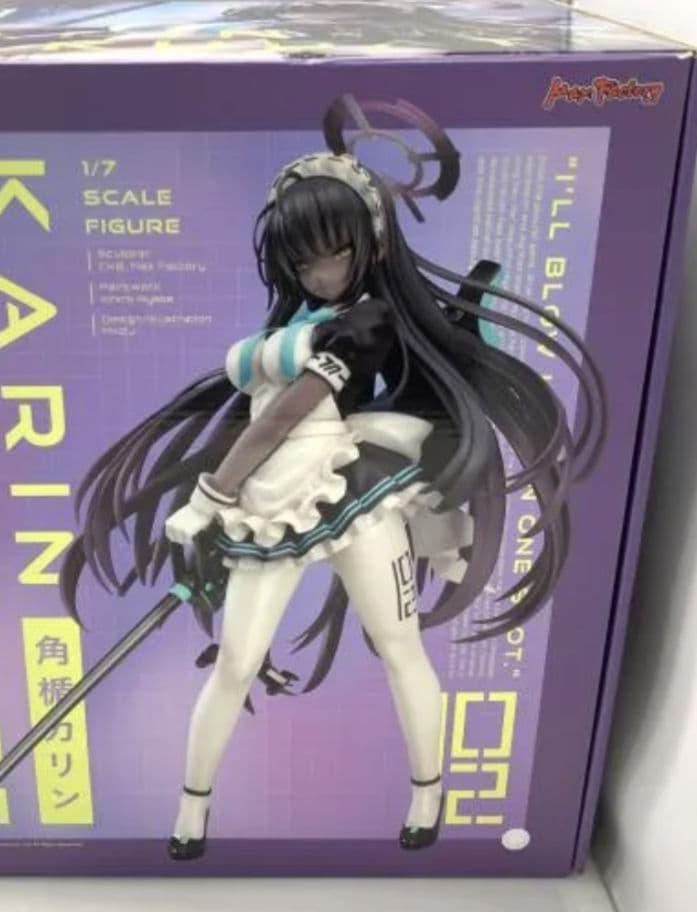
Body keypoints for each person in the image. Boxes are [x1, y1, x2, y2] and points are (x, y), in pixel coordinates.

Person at [61, 97, 605, 861]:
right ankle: (191, 811)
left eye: (335, 255)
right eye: (303, 262)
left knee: (397, 644)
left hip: (349, 491)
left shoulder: (367, 322)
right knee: (237, 662)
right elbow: (256, 416)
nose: (320, 274)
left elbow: (281, 419)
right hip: (270, 499)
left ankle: (427, 795)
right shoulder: (290, 325)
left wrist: (210, 495)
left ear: (369, 244)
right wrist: (219, 496)